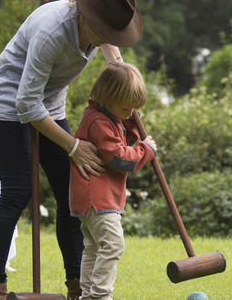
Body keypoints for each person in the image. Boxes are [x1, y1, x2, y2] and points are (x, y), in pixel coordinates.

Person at [0, 0, 143, 300]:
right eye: (105, 30)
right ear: (87, 14)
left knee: (73, 193)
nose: (107, 36)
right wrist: (72, 147)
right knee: (17, 191)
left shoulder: (97, 27)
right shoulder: (52, 31)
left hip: (50, 104)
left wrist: (120, 74)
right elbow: (26, 103)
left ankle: (77, 287)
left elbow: (107, 48)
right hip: (9, 103)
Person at [69, 62, 157, 300]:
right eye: (126, 108)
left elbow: (117, 142)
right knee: (113, 245)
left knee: (94, 248)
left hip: (90, 199)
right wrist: (145, 150)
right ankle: (99, 295)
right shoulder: (99, 123)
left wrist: (129, 128)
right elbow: (119, 158)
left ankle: (88, 295)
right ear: (108, 99)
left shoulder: (104, 117)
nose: (130, 113)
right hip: (97, 198)